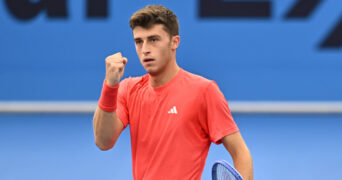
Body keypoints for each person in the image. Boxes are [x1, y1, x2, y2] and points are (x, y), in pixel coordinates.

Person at [93, 5, 253, 180]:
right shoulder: (128, 89)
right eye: (139, 41)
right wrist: (110, 85)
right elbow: (103, 141)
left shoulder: (204, 91)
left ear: (174, 42)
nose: (145, 49)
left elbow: (241, 153)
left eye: (153, 40)